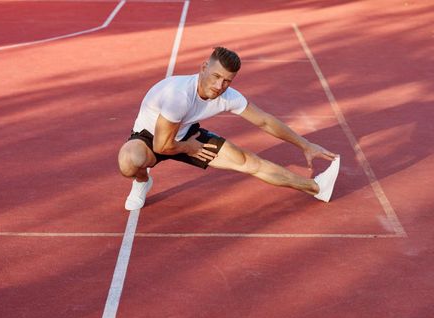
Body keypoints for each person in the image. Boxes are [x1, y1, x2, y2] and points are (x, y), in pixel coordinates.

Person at [118, 47, 340, 210]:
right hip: (152, 138)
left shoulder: (227, 96)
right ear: (204, 67)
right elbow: (161, 145)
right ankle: (142, 181)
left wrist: (305, 144)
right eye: (216, 76)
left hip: (187, 135)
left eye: (227, 81)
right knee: (129, 162)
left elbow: (265, 121)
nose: (219, 86)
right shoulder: (179, 96)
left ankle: (316, 187)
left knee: (249, 162)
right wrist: (188, 148)